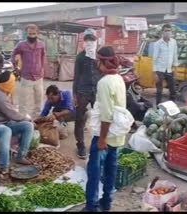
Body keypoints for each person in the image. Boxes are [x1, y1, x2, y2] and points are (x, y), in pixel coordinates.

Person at [84, 46, 127, 212]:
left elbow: (107, 115)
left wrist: (102, 139)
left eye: (97, 60)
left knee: (94, 172)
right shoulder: (119, 78)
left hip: (106, 136)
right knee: (111, 170)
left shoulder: (104, 82)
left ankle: (92, 206)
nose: (96, 63)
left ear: (102, 61)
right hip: (117, 135)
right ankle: (106, 202)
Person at [0, 71, 34, 178]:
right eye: (13, 82)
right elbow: (13, 114)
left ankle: (20, 156)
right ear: (8, 84)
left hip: (6, 123)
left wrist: (27, 121)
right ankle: (3, 166)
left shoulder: (5, 92)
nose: (14, 85)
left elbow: (12, 112)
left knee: (28, 126)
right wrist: (27, 118)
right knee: (7, 131)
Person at [73, 28, 101, 159]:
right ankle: (81, 145)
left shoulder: (100, 56)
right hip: (82, 91)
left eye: (92, 39)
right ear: (84, 41)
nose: (89, 42)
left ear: (96, 41)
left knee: (100, 117)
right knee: (79, 119)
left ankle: (98, 143)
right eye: (87, 39)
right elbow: (76, 76)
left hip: (97, 91)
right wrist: (74, 95)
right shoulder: (80, 57)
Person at [11, 24, 46, 119]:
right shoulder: (21, 45)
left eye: (34, 33)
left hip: (38, 77)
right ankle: (23, 120)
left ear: (37, 33)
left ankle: (37, 119)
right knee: (23, 101)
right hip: (26, 77)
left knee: (39, 100)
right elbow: (13, 55)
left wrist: (43, 69)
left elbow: (43, 57)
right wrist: (16, 67)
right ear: (26, 33)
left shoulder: (41, 45)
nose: (32, 36)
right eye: (30, 34)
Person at [153, 23, 178, 106]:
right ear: (162, 32)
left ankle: (172, 106)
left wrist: (175, 70)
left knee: (173, 90)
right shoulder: (157, 44)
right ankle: (158, 107)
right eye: (166, 31)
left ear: (171, 32)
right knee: (159, 90)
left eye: (169, 31)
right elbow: (154, 59)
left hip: (169, 70)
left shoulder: (173, 42)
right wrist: (154, 73)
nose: (168, 32)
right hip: (159, 70)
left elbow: (175, 55)